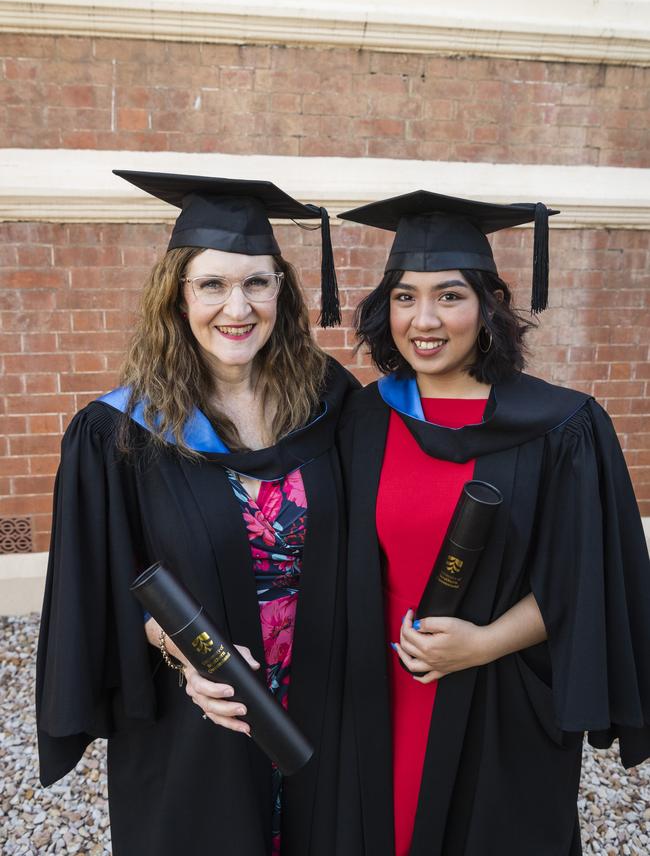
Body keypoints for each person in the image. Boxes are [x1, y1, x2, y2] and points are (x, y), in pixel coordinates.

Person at [36, 170, 358, 856]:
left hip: (330, 700)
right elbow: (101, 590)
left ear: (282, 291)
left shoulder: (332, 401)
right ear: (178, 297)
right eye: (212, 284)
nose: (236, 307)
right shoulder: (120, 432)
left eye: (257, 283)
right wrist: (185, 653)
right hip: (202, 721)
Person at [335, 190, 650, 856]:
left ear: (487, 307)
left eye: (449, 296)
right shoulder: (366, 419)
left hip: (501, 693)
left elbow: (584, 576)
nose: (424, 319)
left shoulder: (562, 427)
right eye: (403, 296)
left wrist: (483, 643)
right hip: (383, 692)